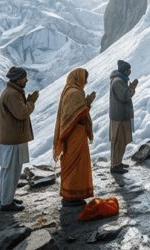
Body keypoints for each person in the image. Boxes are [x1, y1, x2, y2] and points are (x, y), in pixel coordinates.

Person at [53, 67, 97, 207]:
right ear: (79, 78)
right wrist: (88, 102)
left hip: (75, 133)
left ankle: (72, 194)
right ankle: (72, 195)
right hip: (75, 134)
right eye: (85, 79)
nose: (86, 82)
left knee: (75, 164)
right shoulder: (74, 93)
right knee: (75, 164)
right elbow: (79, 114)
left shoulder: (71, 90)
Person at [0, 66, 39, 212]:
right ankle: (6, 203)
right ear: (18, 78)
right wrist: (31, 102)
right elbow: (22, 113)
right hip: (13, 139)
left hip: (11, 138)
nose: (26, 80)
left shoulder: (12, 92)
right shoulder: (12, 94)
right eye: (24, 77)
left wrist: (27, 102)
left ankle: (5, 198)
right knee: (12, 170)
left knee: (8, 170)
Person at [109, 59, 138, 174]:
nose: (130, 72)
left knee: (121, 141)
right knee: (118, 141)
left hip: (121, 115)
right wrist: (132, 89)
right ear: (124, 71)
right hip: (119, 116)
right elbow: (125, 97)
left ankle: (118, 163)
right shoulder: (117, 81)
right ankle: (115, 165)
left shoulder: (120, 80)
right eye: (128, 70)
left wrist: (129, 88)